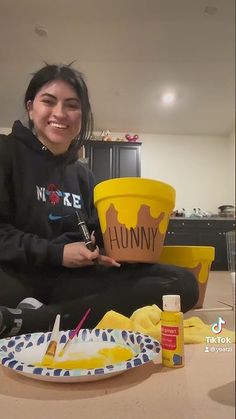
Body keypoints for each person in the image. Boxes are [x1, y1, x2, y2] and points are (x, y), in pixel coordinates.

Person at [0, 64, 199, 338]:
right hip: (17, 275)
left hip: (70, 281)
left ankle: (39, 320)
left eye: (72, 105)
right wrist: (57, 253)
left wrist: (101, 251)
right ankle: (54, 314)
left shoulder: (84, 175)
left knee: (182, 284)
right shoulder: (6, 152)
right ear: (31, 107)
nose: (60, 113)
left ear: (82, 115)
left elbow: (95, 232)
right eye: (49, 101)